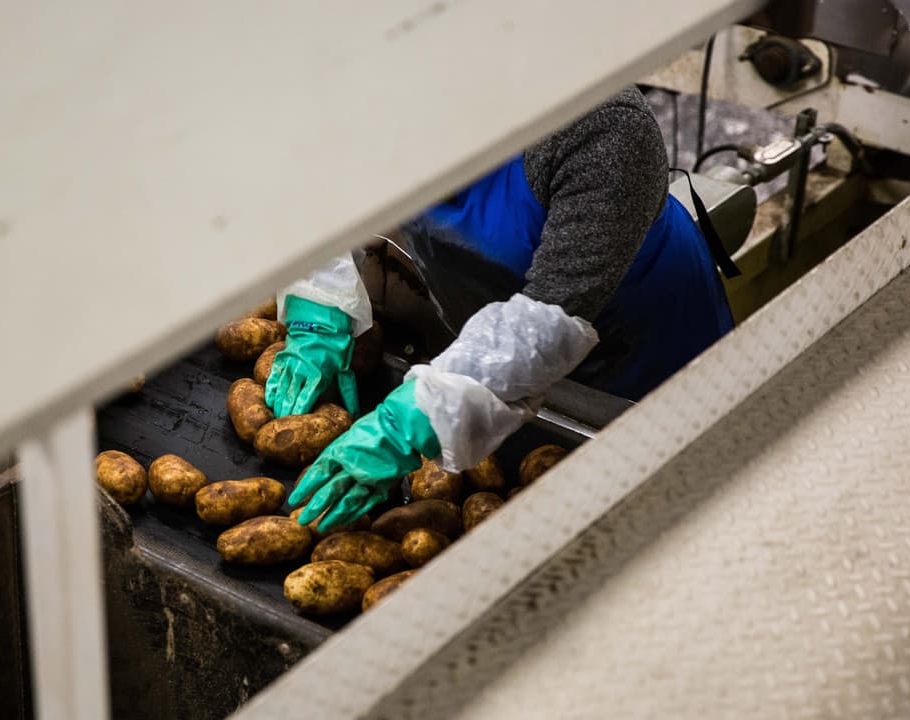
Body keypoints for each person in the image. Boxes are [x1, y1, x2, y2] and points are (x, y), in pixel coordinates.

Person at [267, 86, 735, 532]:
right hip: (489, 322)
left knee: (673, 493)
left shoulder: (602, 123)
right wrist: (319, 299)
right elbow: (334, 180)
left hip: (636, 337)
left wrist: (408, 422)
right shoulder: (387, 87)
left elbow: (548, 319)